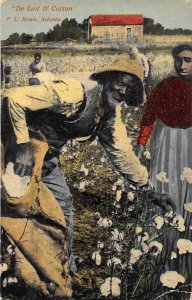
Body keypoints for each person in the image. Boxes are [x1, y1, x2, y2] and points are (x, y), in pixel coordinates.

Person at [2, 54, 174, 298]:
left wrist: (149, 190)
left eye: (130, 88)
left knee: (64, 210)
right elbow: (14, 99)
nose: (123, 91)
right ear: (107, 78)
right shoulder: (75, 92)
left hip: (46, 159)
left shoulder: (108, 117)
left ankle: (62, 274)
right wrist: (22, 147)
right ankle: (11, 273)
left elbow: (122, 154)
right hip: (14, 146)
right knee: (14, 208)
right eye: (121, 82)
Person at [136, 43, 192, 294]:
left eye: (189, 60)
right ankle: (163, 251)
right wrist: (141, 143)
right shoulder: (165, 86)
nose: (183, 65)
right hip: (167, 141)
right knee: (167, 188)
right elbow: (149, 115)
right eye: (179, 60)